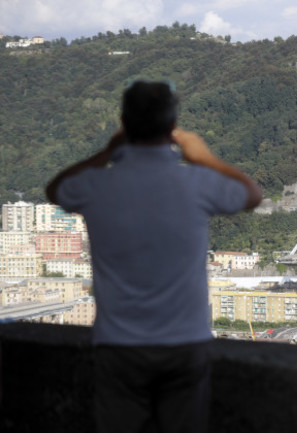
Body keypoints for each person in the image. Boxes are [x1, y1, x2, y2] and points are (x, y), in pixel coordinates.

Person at [46, 80, 262, 433]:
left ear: (124, 123)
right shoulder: (196, 182)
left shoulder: (96, 186)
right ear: (172, 126)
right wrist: (203, 156)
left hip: (118, 344)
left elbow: (55, 190)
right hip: (185, 341)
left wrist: (106, 153)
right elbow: (252, 195)